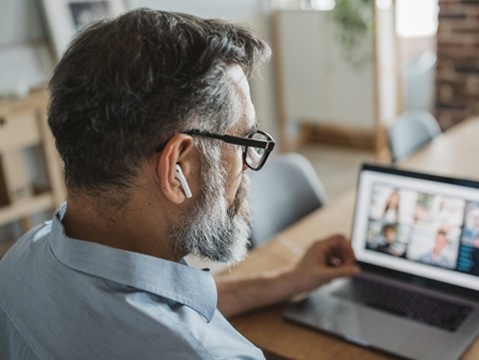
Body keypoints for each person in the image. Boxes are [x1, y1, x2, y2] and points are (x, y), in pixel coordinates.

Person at [0, 8, 359, 359]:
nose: (250, 166)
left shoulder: (21, 261)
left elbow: (157, 301)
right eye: (244, 142)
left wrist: (288, 280)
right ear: (178, 169)